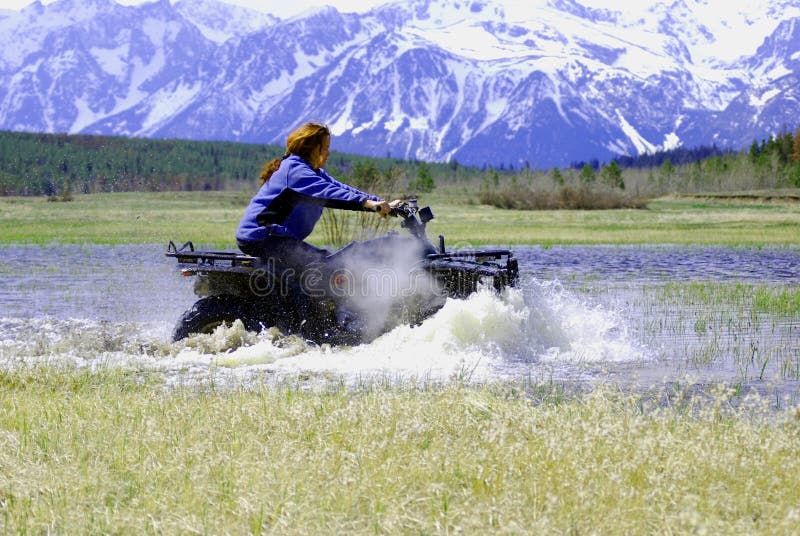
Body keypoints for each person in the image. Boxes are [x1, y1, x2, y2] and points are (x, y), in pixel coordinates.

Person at [236, 121, 399, 276]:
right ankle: (307, 306)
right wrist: (370, 205)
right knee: (323, 266)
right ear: (310, 148)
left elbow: (341, 189)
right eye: (325, 148)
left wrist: (380, 202)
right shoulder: (295, 171)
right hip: (263, 238)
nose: (328, 153)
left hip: (273, 239)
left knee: (320, 265)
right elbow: (330, 193)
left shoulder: (312, 172)